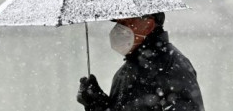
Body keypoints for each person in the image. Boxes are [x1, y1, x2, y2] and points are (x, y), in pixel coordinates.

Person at [77, 12, 205, 111]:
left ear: (148, 25)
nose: (118, 29)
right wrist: (97, 104)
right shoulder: (123, 73)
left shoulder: (171, 66)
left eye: (126, 23)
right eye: (118, 23)